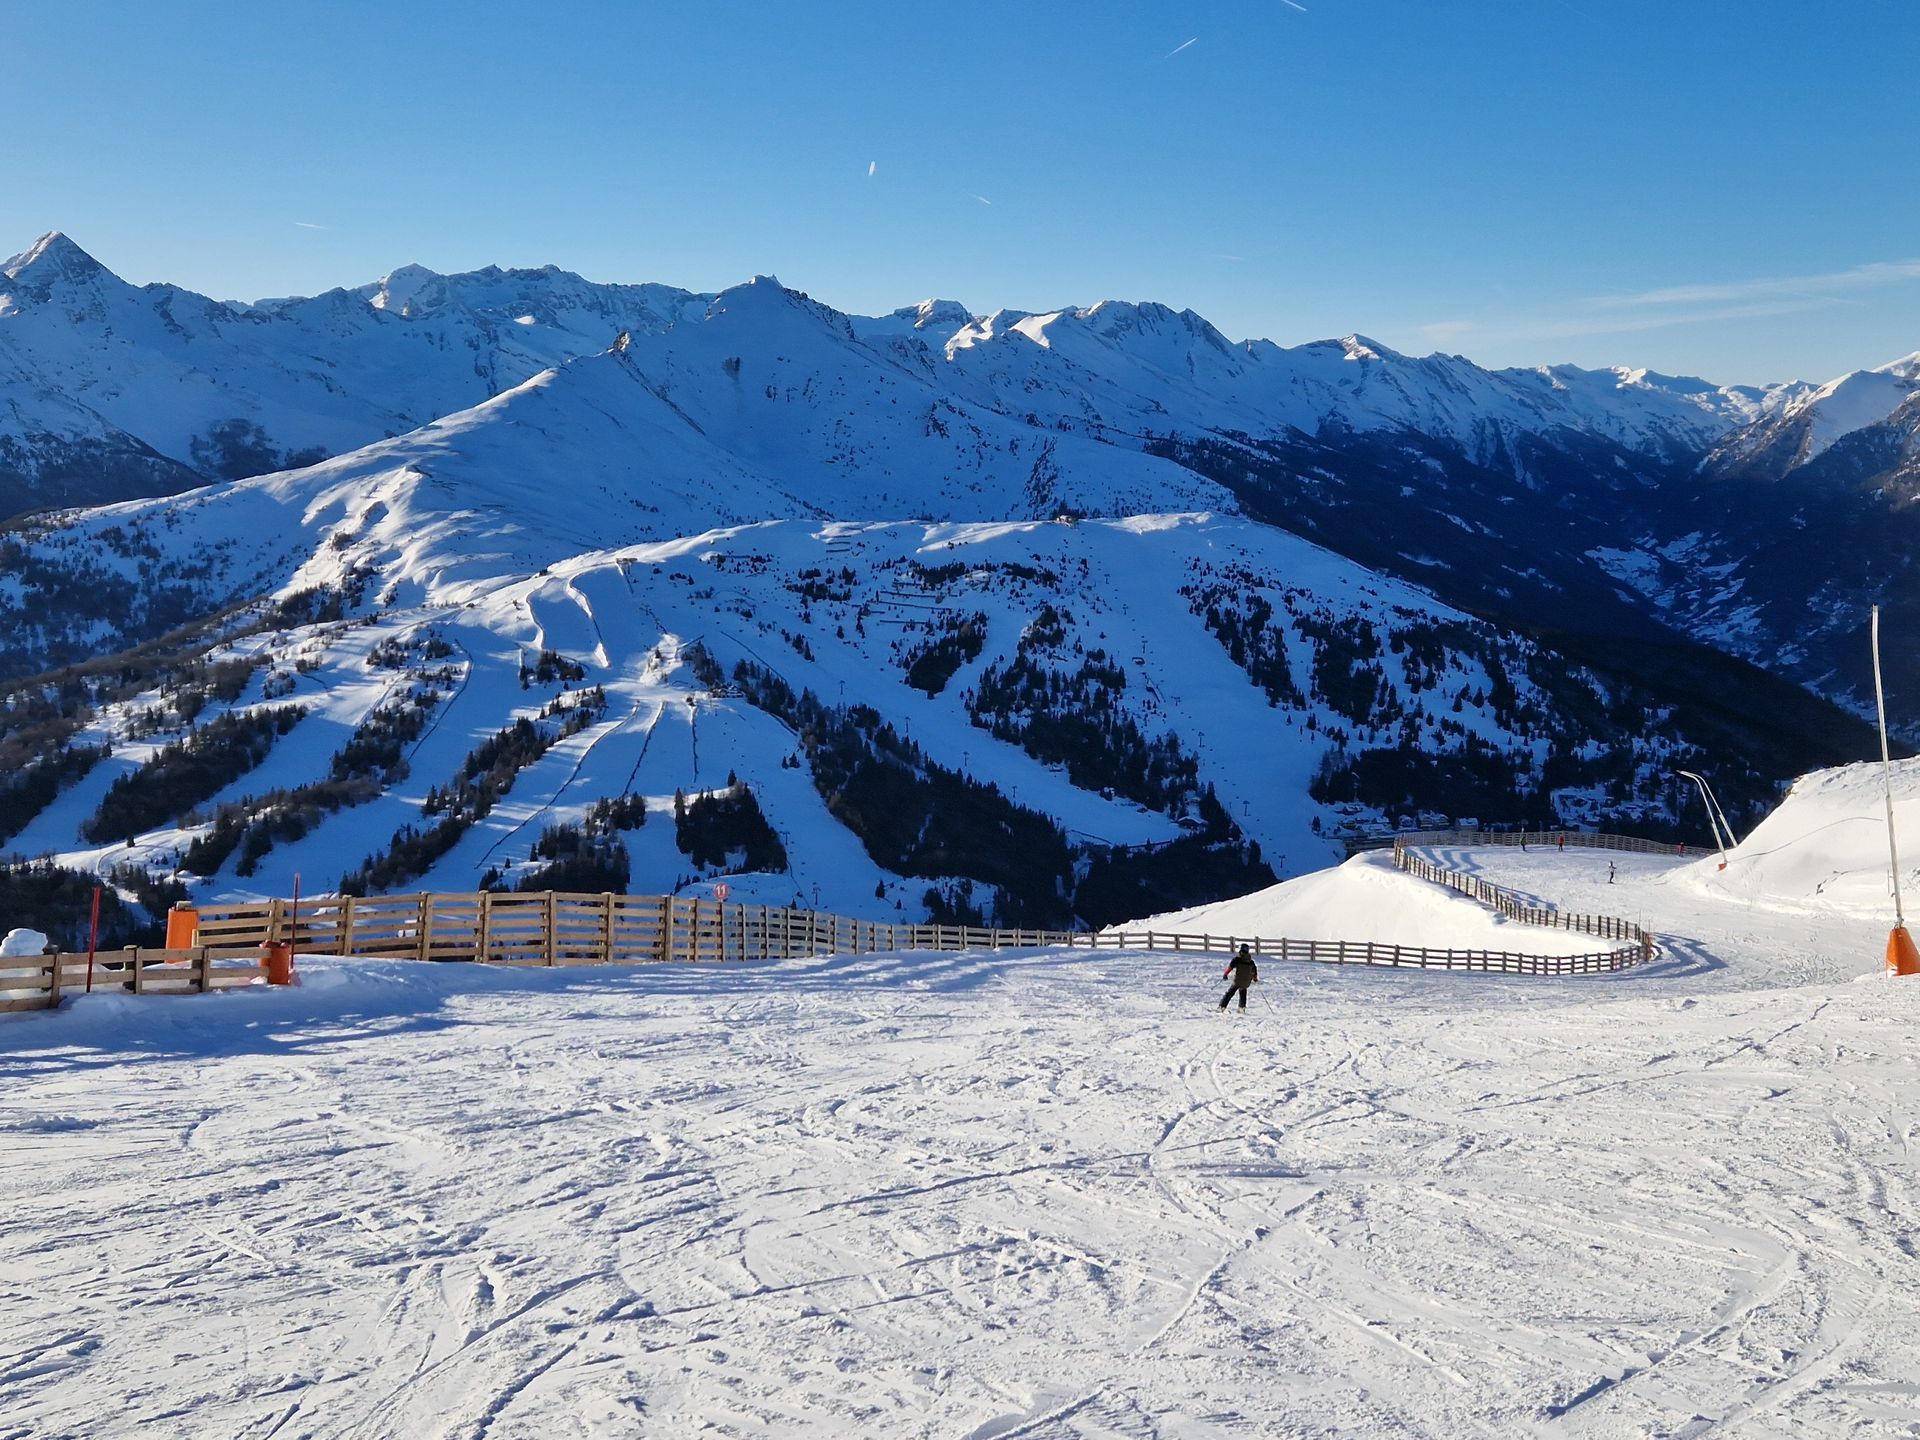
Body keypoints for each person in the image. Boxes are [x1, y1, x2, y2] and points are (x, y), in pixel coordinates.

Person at [1219, 944, 1258, 1011]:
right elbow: (1254, 971)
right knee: (1243, 992)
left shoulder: (1237, 959)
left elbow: (1230, 967)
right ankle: (1242, 1007)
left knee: (1229, 993)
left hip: (1237, 981)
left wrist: (1225, 974)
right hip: (1246, 982)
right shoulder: (1251, 962)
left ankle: (1222, 1006)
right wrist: (1255, 979)